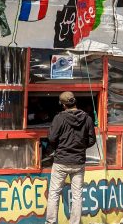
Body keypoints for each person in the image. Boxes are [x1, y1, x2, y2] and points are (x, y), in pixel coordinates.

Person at [45, 91, 96, 224]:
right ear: (74, 102)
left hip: (61, 161)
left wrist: (60, 146)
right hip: (78, 162)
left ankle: (51, 222)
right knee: (77, 195)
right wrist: (80, 147)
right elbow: (92, 140)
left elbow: (51, 138)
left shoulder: (59, 118)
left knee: (54, 194)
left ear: (63, 105)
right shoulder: (87, 118)